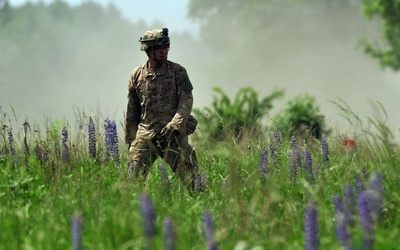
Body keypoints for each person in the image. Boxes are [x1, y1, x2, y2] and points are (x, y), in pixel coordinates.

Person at [125, 28, 199, 191]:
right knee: (133, 182)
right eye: (159, 48)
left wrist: (176, 123)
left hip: (172, 135)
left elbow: (186, 99)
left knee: (193, 182)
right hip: (145, 136)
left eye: (166, 47)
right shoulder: (136, 75)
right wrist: (130, 139)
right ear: (148, 50)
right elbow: (132, 110)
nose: (163, 51)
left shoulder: (178, 72)